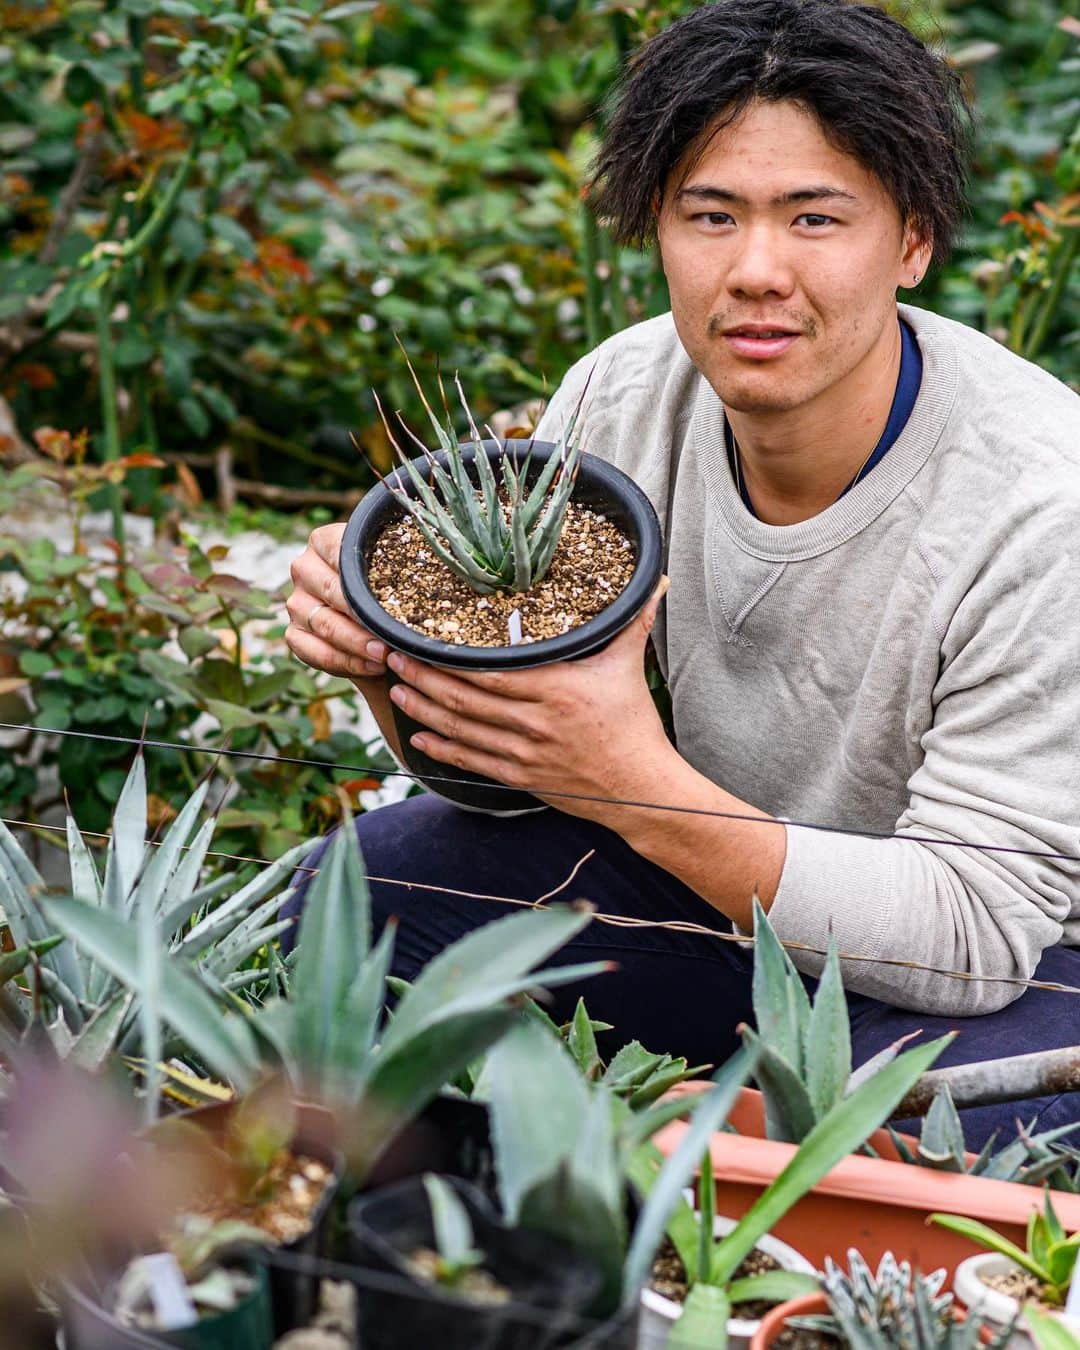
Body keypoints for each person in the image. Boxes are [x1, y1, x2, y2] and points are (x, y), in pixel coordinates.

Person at [284, 0, 1080, 1146]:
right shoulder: (622, 395)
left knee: (911, 1121)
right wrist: (388, 666)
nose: (756, 271)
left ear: (912, 240)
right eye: (711, 215)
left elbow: (967, 932)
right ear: (657, 226)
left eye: (815, 218)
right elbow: (517, 782)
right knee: (358, 902)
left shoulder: (1039, 505)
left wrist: (627, 781)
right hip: (720, 897)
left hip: (1002, 977)